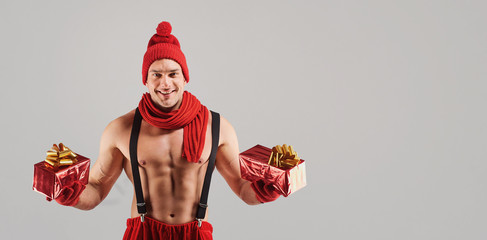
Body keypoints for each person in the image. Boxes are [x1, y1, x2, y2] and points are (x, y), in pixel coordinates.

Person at [52, 21, 281, 240]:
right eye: (156, 75)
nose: (165, 84)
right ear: (146, 80)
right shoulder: (121, 129)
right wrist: (71, 194)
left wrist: (265, 190)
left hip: (195, 233)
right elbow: (97, 189)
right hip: (142, 232)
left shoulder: (217, 127)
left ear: (184, 78)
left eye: (173, 74)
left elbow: (242, 187)